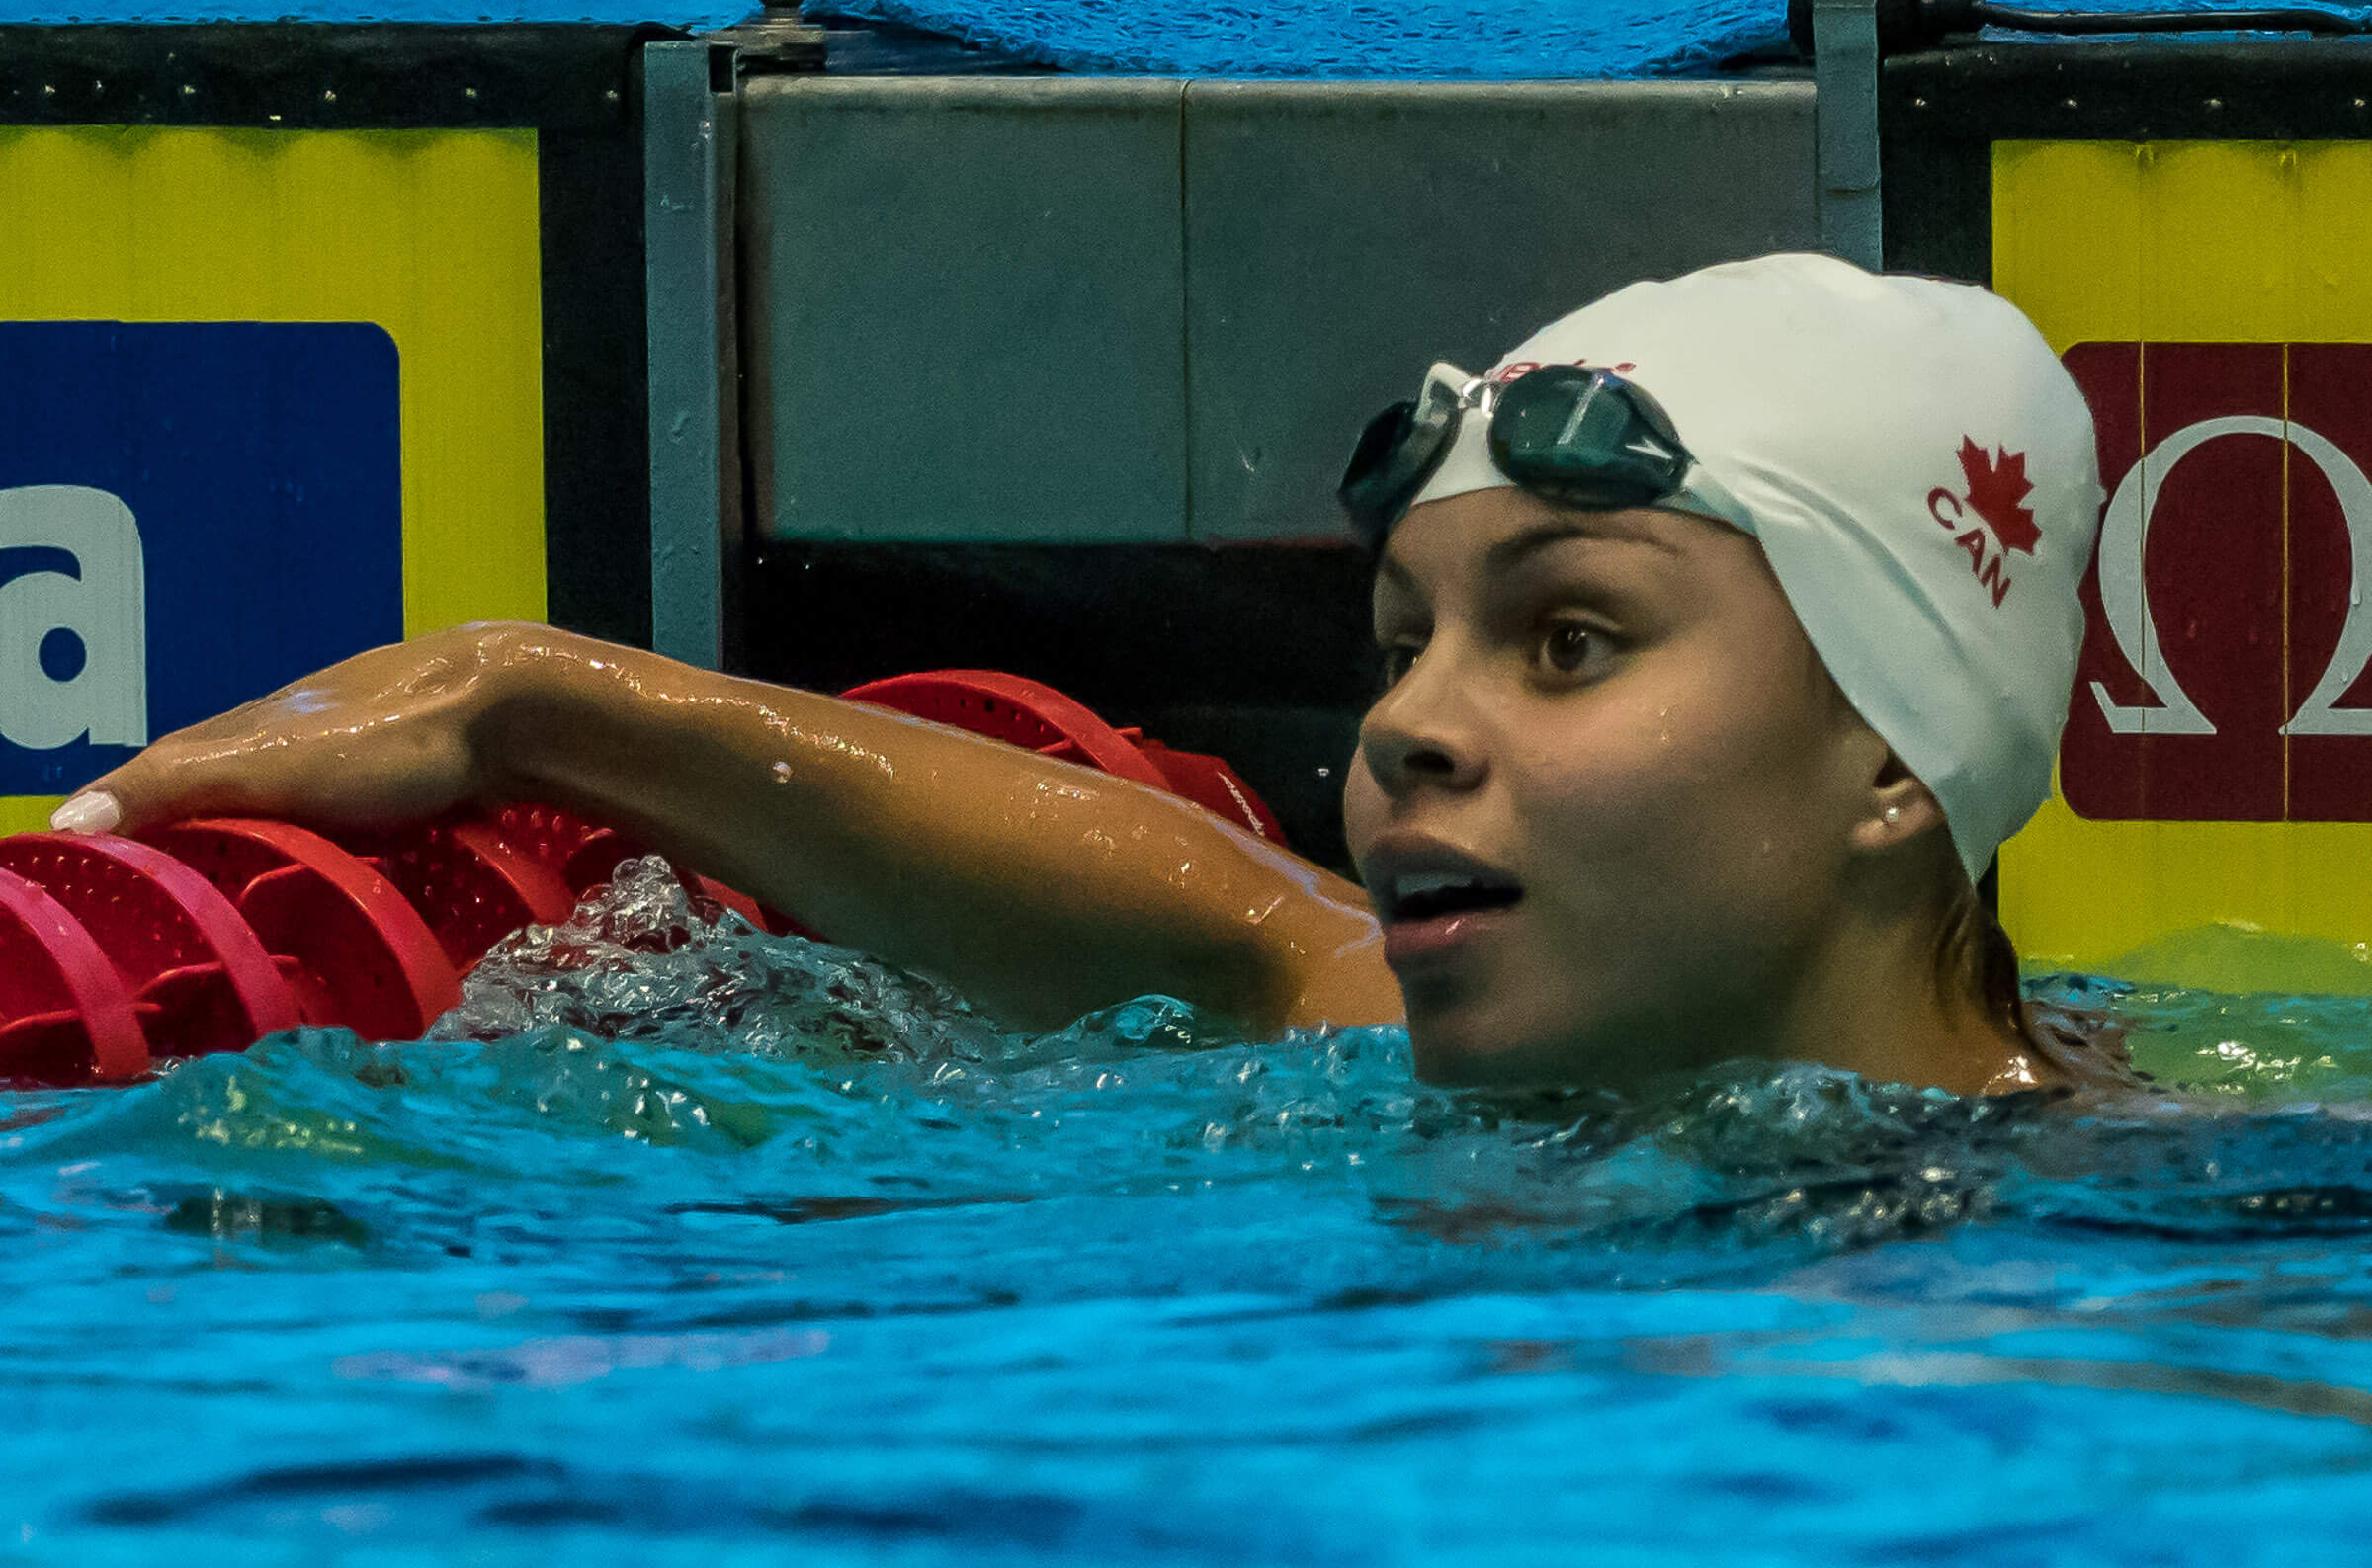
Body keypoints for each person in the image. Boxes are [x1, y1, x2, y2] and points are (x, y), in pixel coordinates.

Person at [49, 254, 2105, 1096]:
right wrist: (533, 699)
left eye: (1569, 640)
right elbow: (1222, 918)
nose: (1402, 727)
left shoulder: (2180, 1266)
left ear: (1889, 756)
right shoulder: (1410, 1047)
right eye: (1404, 639)